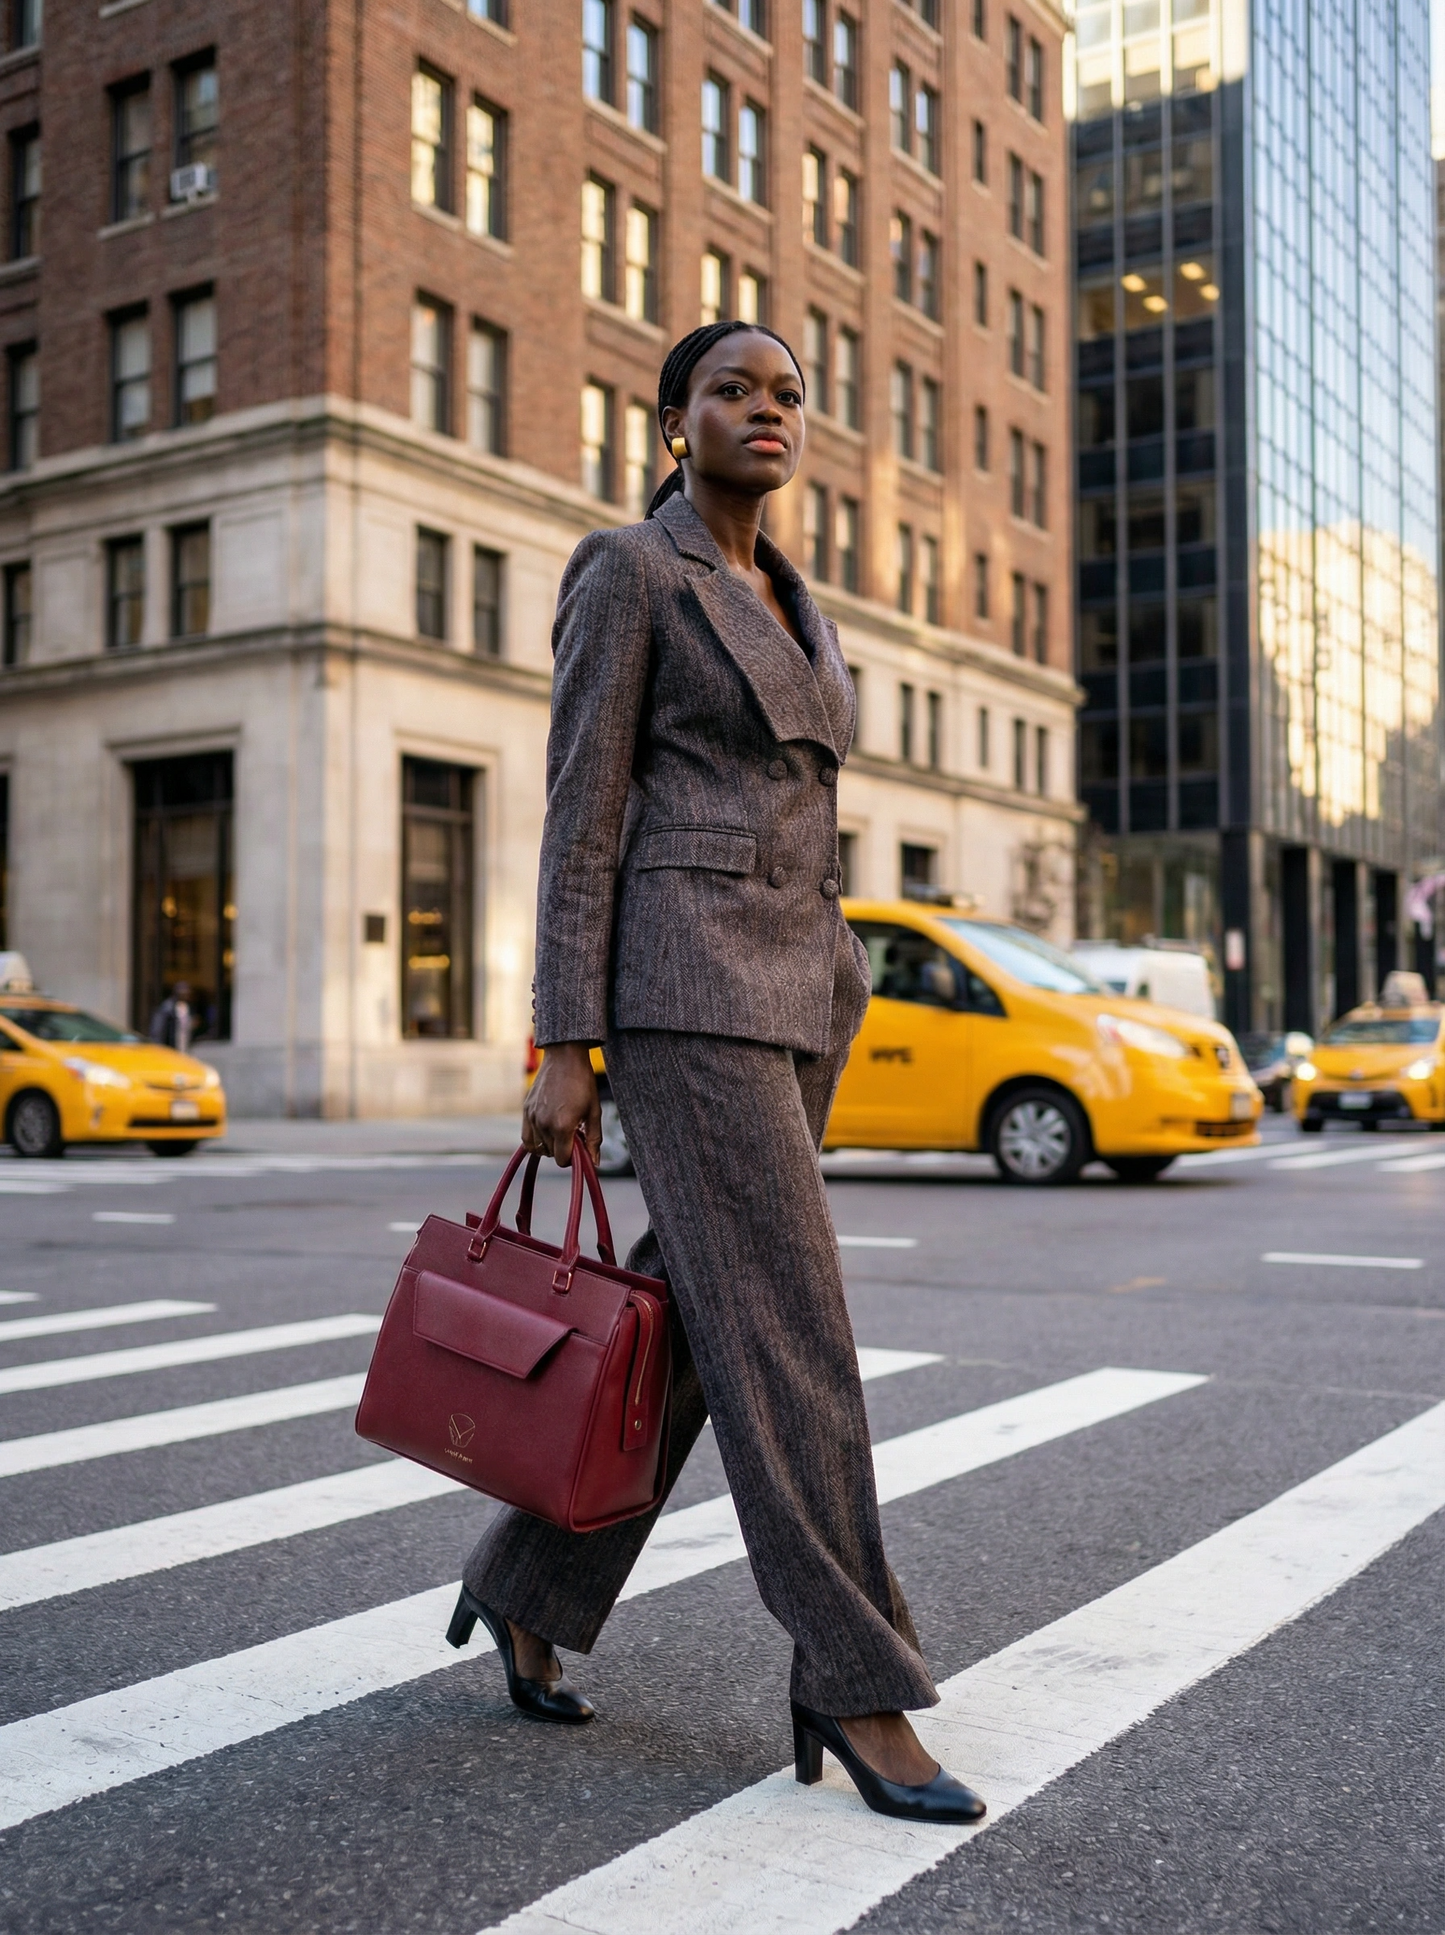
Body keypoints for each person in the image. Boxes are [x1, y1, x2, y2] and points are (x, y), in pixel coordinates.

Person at [446, 322, 985, 1825]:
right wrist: (563, 1039)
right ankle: (855, 1672)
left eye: (789, 392)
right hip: (684, 997)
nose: (768, 410)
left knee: (694, 1318)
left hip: (803, 994)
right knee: (796, 1329)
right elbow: (580, 813)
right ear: (672, 419)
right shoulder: (630, 570)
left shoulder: (796, 600)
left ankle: (526, 1584)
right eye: (734, 389)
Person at [149, 981, 194, 1054]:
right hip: (171, 1044)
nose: (185, 995)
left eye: (187, 993)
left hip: (183, 1042)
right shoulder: (168, 1006)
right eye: (183, 993)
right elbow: (158, 1028)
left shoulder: (187, 1007)